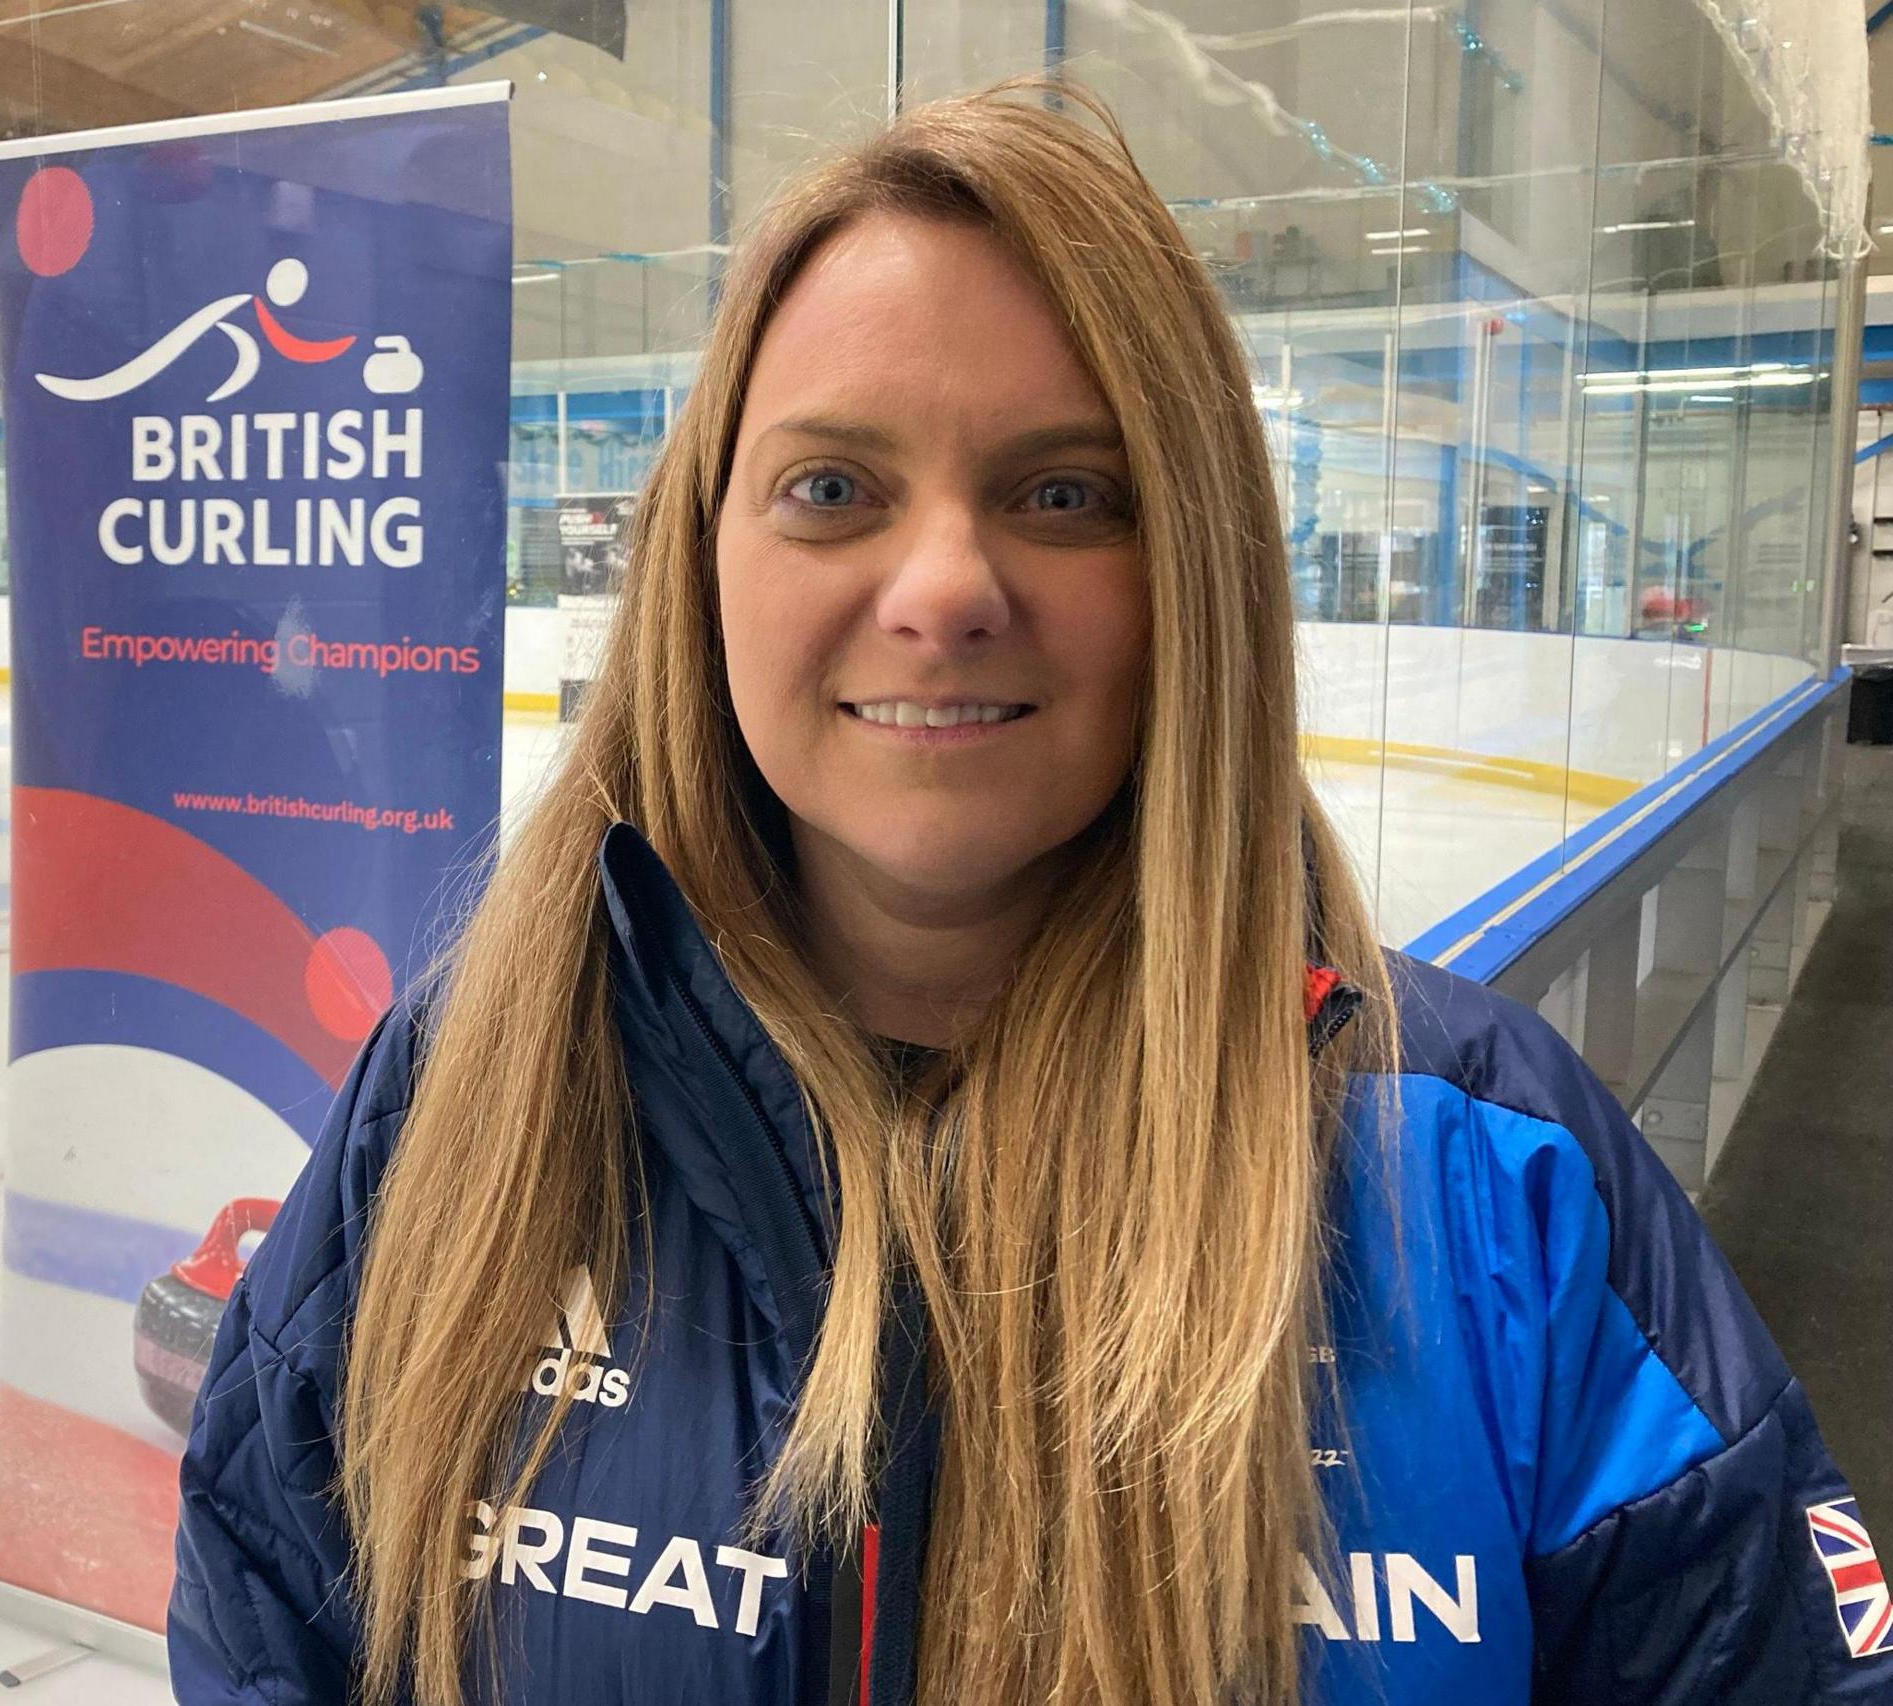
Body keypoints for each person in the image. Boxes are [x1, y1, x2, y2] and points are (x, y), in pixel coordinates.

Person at [167, 79, 1887, 1705]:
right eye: (831, 489)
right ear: (703, 558)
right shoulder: (465, 1093)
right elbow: (264, 1612)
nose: (944, 587)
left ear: (1194, 572)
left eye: (1062, 494)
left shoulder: (1484, 1172)